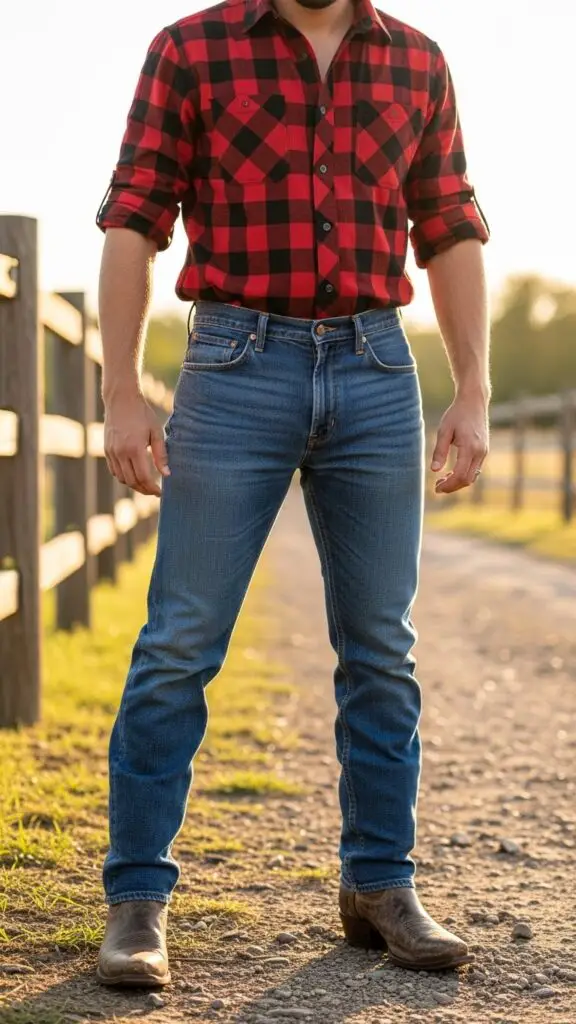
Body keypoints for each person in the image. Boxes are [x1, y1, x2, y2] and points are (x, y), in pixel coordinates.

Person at [95, 0, 490, 988]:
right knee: (179, 641)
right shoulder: (190, 49)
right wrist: (121, 394)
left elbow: (449, 227)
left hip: (375, 364)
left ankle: (380, 884)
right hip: (234, 363)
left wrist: (474, 388)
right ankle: (137, 900)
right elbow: (133, 223)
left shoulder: (419, 61)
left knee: (380, 645)